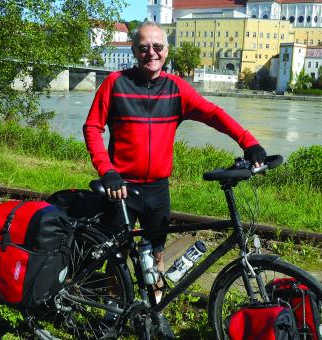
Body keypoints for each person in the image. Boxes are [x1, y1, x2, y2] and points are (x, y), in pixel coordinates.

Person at [83, 21, 267, 303]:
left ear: (166, 51)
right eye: (144, 47)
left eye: (157, 47)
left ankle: (154, 308)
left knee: (157, 251)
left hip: (157, 188)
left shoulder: (176, 89)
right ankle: (111, 311)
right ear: (134, 51)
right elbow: (93, 127)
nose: (151, 53)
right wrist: (107, 170)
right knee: (116, 255)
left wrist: (249, 142)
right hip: (121, 187)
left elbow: (213, 114)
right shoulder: (115, 84)